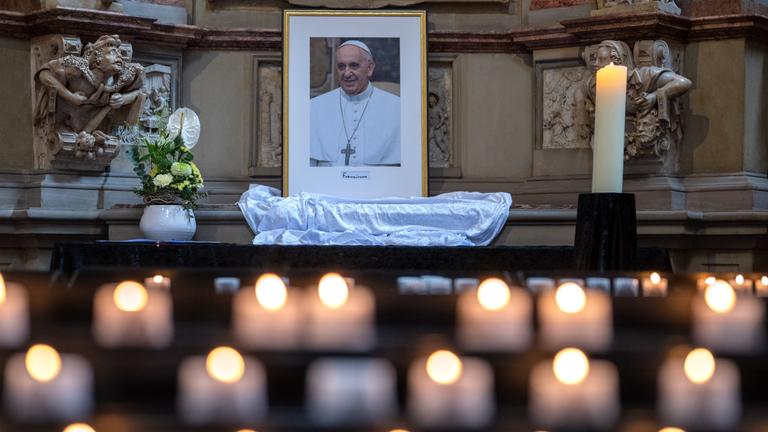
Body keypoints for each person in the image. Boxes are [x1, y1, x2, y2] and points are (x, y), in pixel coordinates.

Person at [309, 40, 400, 167]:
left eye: (354, 65)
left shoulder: (397, 108)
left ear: (369, 68)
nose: (346, 73)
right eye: (341, 66)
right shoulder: (314, 107)